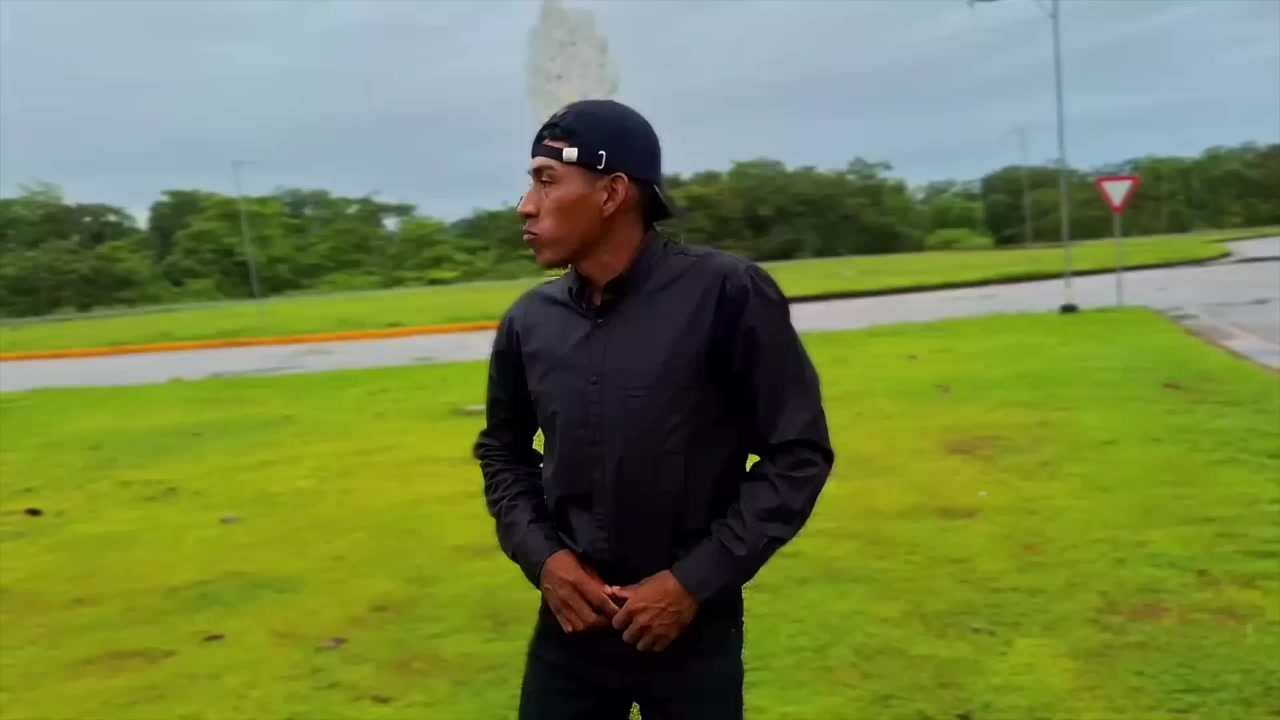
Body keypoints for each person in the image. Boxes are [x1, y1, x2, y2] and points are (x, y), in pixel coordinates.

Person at [474, 99, 834, 720]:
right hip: (571, 628)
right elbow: (504, 453)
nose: (526, 206)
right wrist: (547, 561)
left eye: (546, 181)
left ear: (612, 193)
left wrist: (691, 582)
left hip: (693, 630)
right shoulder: (530, 322)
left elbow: (797, 453)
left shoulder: (727, 294)